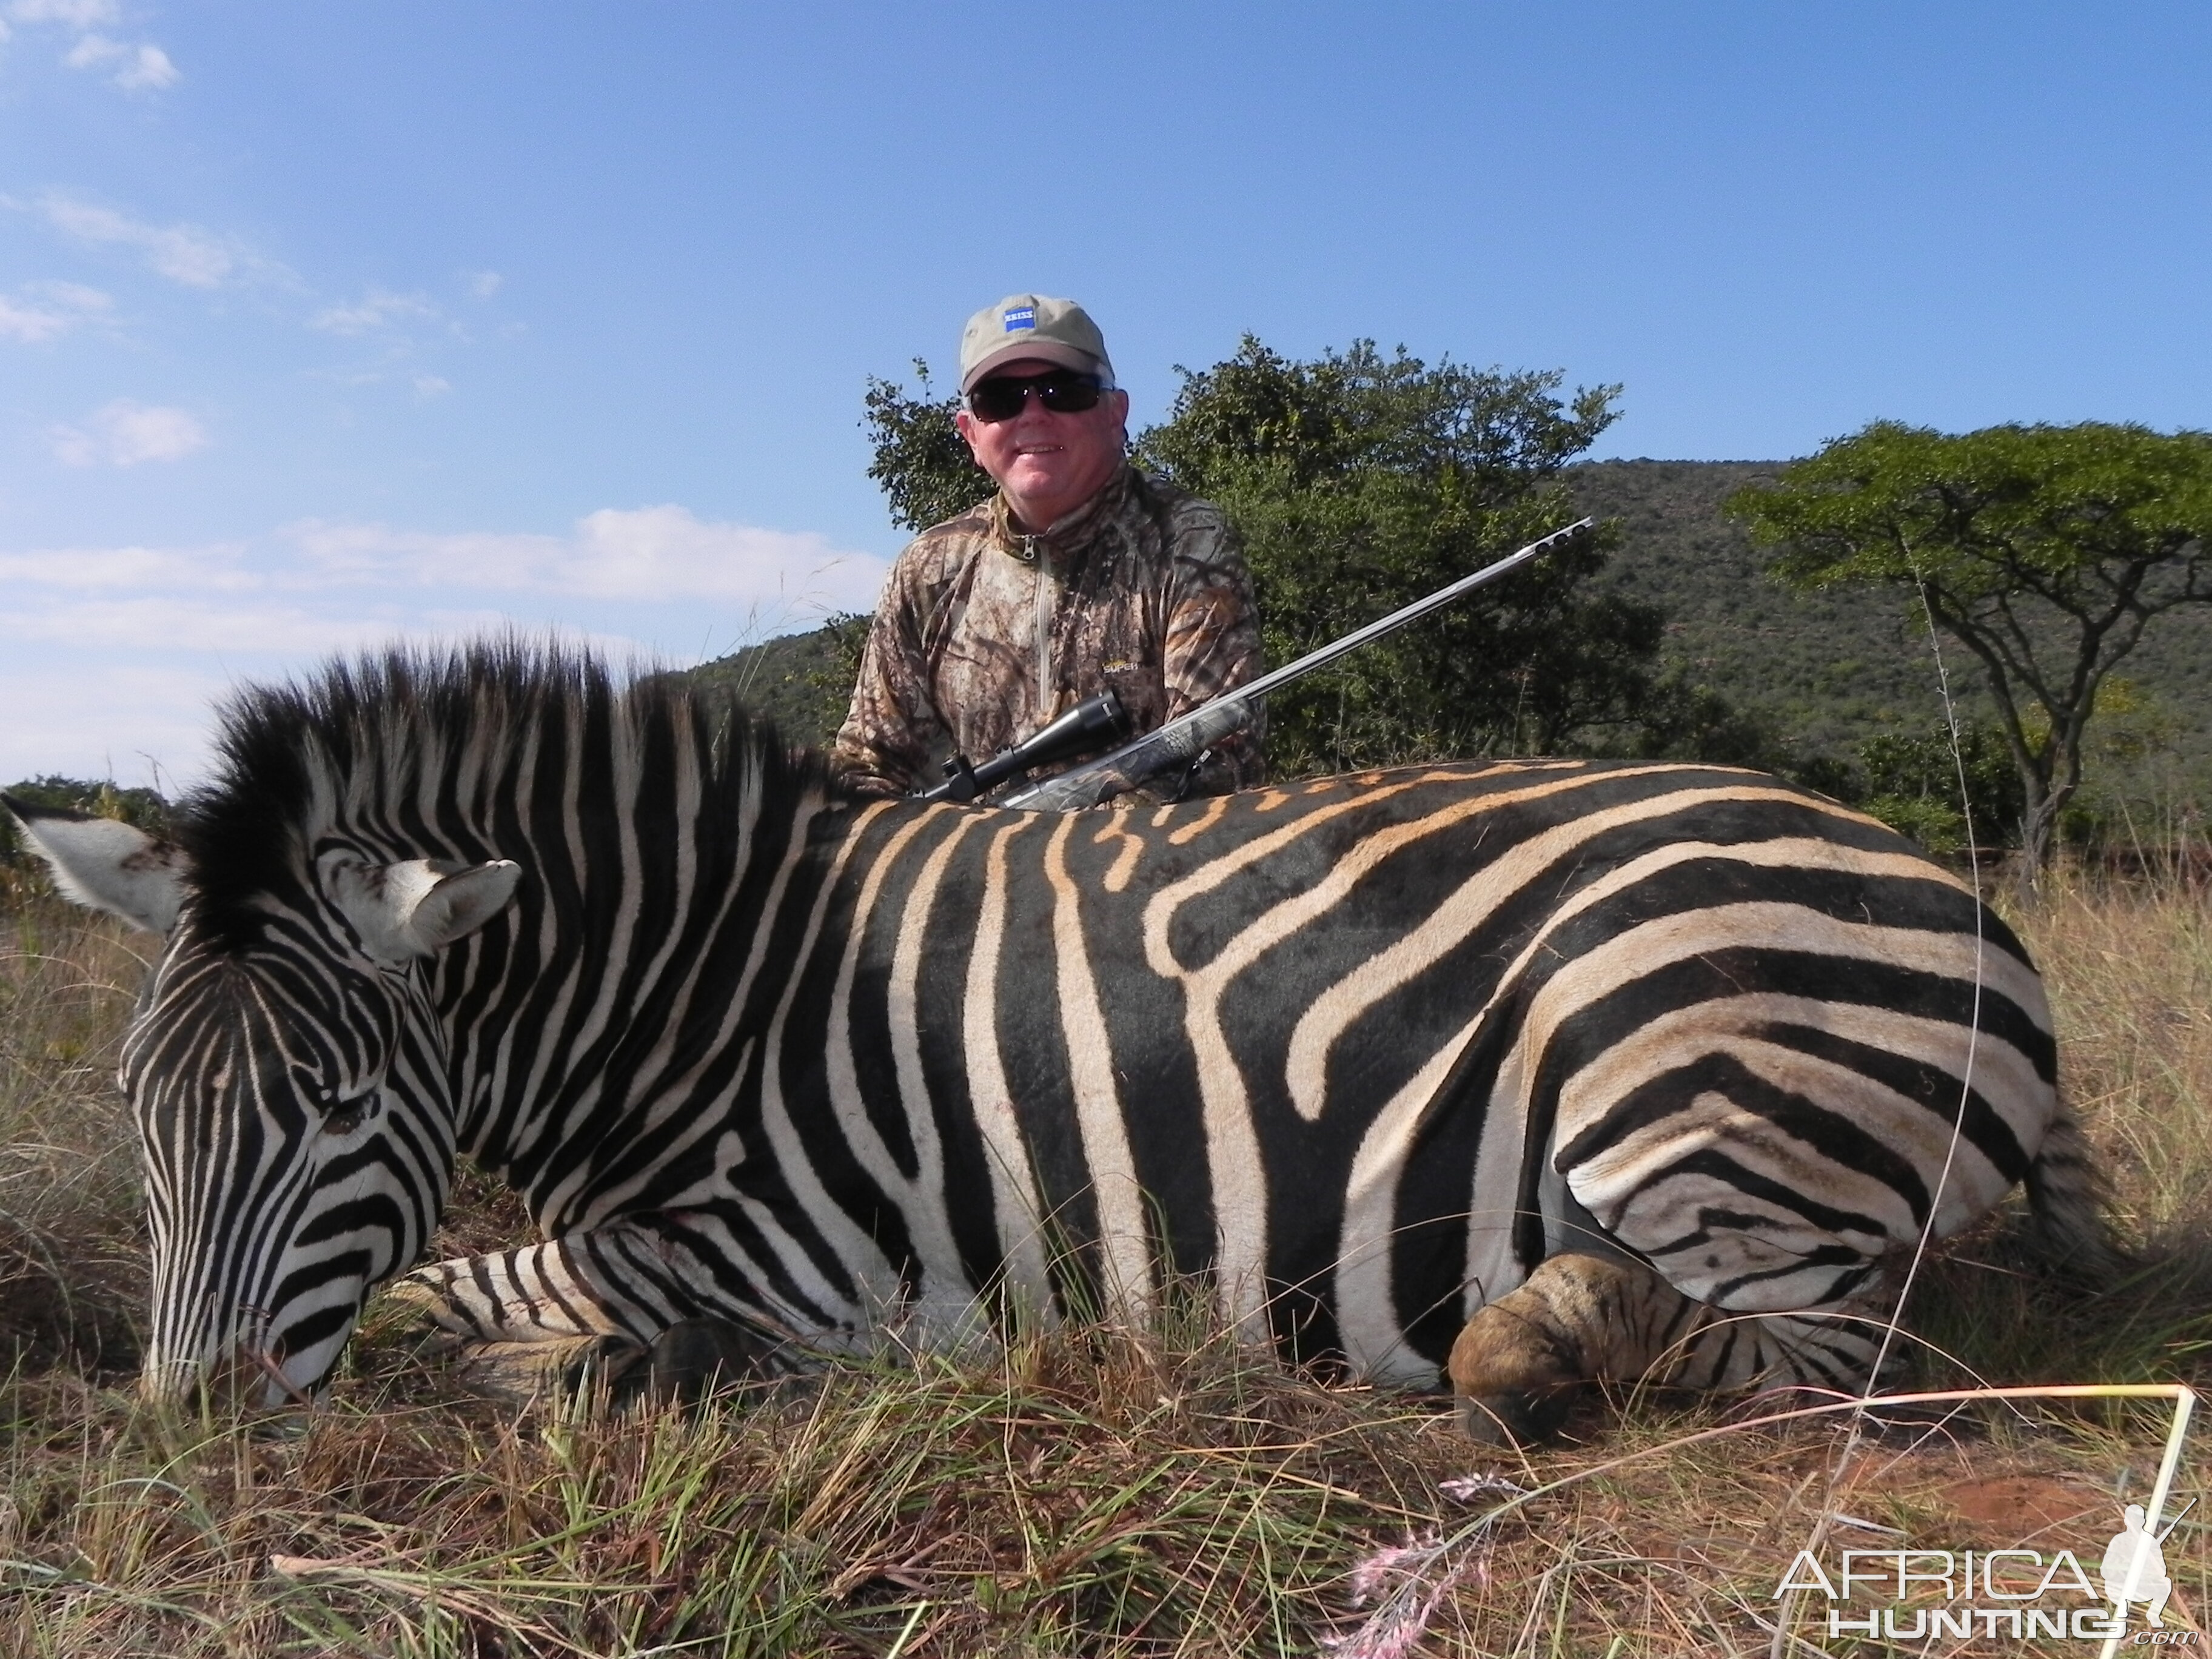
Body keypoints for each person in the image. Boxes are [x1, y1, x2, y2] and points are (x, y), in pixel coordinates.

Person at [832, 293, 1264, 803]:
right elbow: (866, 766)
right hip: (963, 871)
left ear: (1115, 413)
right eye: (1000, 399)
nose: (1033, 415)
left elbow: (1218, 760)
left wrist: (1037, 850)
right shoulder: (929, 568)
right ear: (970, 434)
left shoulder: (1187, 539)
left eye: (1065, 391)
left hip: (1148, 873)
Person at [2100, 1504, 2173, 1628]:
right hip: (2119, 1586)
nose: (2135, 1523)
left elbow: (2162, 1569)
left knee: (2166, 1583)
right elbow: (2106, 1569)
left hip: (2142, 1585)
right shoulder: (2119, 1540)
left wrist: (2148, 1567)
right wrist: (2125, 1566)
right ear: (2126, 1521)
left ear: (2144, 1521)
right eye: (2132, 1519)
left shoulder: (2150, 1541)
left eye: (2138, 1520)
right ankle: (2120, 1614)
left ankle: (2153, 1614)